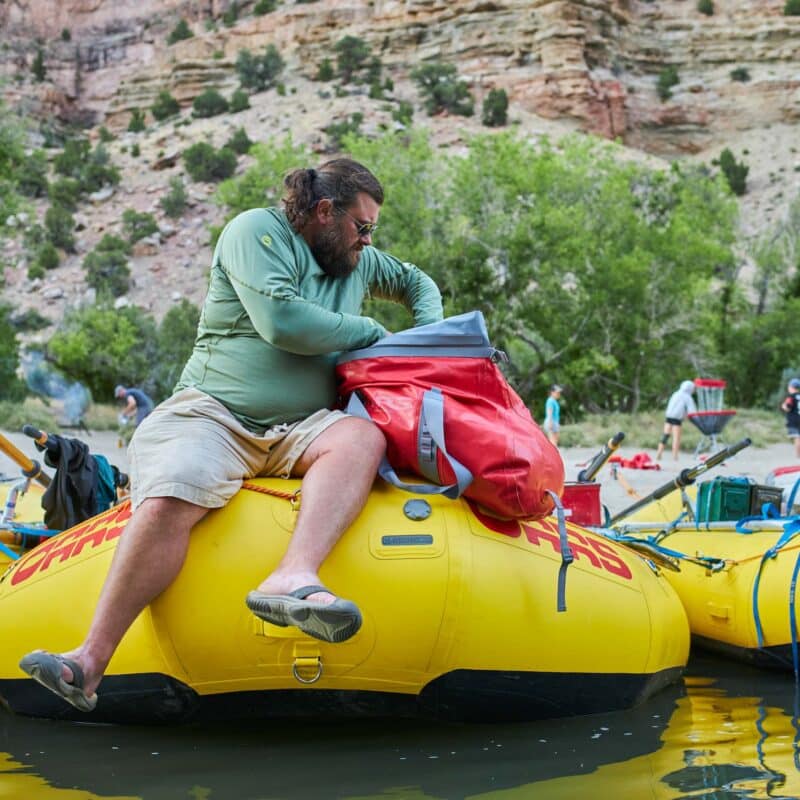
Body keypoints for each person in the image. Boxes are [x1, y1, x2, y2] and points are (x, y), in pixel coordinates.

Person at [19, 158, 443, 712]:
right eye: (362, 226)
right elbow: (283, 323)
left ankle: (292, 577)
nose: (368, 239)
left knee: (363, 439)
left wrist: (430, 338)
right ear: (323, 212)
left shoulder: (357, 259)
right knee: (175, 489)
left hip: (300, 428)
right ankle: (88, 661)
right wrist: (373, 332)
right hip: (214, 414)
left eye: (373, 230)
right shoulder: (256, 231)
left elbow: (415, 281)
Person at [655, 380, 697, 462]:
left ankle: (659, 453)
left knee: (665, 435)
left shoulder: (675, 394)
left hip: (668, 417)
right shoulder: (687, 397)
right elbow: (692, 411)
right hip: (677, 419)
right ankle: (675, 456)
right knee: (676, 438)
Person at [781, 378, 800, 458]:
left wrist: (783, 406)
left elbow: (788, 408)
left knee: (797, 438)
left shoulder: (790, 397)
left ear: (791, 387)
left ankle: (798, 456)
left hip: (794, 420)